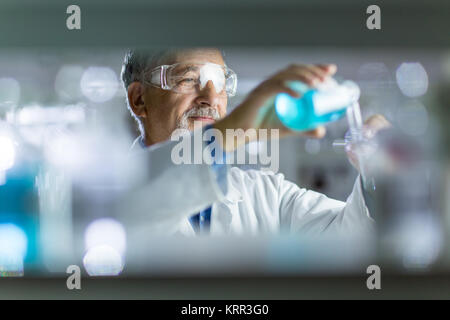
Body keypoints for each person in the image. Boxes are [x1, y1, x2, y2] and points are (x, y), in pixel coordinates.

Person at [120, 48, 389, 236]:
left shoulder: (267, 195)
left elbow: (349, 240)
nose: (211, 98)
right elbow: (144, 200)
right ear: (139, 100)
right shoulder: (108, 192)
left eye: (220, 82)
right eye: (188, 79)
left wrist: (376, 175)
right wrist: (242, 127)